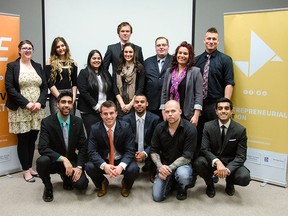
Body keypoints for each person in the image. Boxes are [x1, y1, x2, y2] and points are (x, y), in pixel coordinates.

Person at [193, 27, 235, 187]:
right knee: (197, 137)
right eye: (208, 38)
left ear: (218, 41)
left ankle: (214, 169)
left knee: (214, 140)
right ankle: (199, 168)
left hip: (215, 105)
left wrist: (224, 106)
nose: (211, 41)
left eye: (214, 39)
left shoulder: (225, 60)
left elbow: (229, 82)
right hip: (198, 105)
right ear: (204, 40)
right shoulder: (197, 60)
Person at [5, 40, 47, 183]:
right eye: (24, 48)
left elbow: (44, 87)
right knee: (23, 140)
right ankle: (25, 170)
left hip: (36, 109)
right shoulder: (12, 66)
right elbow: (9, 88)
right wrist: (27, 103)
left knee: (32, 139)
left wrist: (39, 103)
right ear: (19, 50)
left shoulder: (37, 66)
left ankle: (29, 167)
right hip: (21, 109)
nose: (27, 50)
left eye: (30, 48)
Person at [36, 91, 89, 202]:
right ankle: (48, 186)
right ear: (57, 104)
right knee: (41, 161)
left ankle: (65, 176)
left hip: (71, 160)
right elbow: (42, 148)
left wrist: (79, 167)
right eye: (63, 102)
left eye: (69, 102)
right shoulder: (47, 122)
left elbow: (83, 147)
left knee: (82, 185)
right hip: (54, 161)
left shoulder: (78, 122)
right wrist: (63, 159)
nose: (66, 105)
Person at [194, 98, 250, 198]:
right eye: (220, 108)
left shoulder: (240, 130)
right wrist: (217, 162)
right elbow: (204, 149)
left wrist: (227, 170)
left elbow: (241, 156)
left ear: (231, 111)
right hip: (213, 161)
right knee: (198, 162)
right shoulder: (208, 126)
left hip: (230, 163)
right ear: (216, 111)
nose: (223, 111)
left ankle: (230, 182)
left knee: (244, 177)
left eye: (226, 108)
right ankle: (210, 184)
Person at [85, 100, 139, 198]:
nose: (109, 117)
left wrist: (121, 166)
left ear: (116, 113)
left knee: (134, 169)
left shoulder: (126, 127)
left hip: (120, 159)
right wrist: (104, 165)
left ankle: (126, 184)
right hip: (104, 159)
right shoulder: (94, 129)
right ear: (101, 115)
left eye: (111, 113)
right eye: (105, 114)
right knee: (89, 166)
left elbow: (130, 150)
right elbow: (92, 152)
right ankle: (102, 182)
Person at [150, 100, 197, 202]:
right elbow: (154, 150)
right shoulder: (160, 127)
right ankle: (171, 181)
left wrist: (168, 169)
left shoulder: (190, 129)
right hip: (164, 164)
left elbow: (187, 156)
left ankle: (182, 187)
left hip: (182, 165)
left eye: (173, 111)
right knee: (157, 197)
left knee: (183, 175)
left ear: (180, 111)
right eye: (167, 112)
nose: (170, 114)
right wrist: (160, 167)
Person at [160, 41, 203, 126]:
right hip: (171, 114)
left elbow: (199, 95)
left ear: (189, 56)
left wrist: (196, 115)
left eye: (185, 53)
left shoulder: (195, 71)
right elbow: (164, 93)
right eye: (180, 53)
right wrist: (163, 111)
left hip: (188, 115)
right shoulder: (169, 71)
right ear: (176, 55)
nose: (182, 56)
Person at [122, 94, 160, 182]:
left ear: (147, 104)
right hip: (132, 148)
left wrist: (145, 153)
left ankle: (152, 171)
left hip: (149, 148)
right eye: (137, 102)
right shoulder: (125, 120)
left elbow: (156, 142)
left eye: (142, 102)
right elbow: (124, 141)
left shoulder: (155, 119)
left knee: (158, 150)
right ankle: (128, 175)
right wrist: (133, 152)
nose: (139, 104)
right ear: (133, 104)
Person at [77, 49, 115, 137]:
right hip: (89, 110)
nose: (96, 60)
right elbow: (84, 92)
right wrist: (97, 107)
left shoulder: (105, 73)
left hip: (105, 110)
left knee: (105, 135)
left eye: (99, 58)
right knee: (93, 135)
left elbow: (111, 90)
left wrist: (109, 106)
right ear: (89, 60)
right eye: (94, 58)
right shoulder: (84, 73)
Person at [45, 37, 78, 115]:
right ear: (54, 49)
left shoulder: (73, 63)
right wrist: (60, 98)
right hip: (56, 96)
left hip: (69, 95)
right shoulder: (50, 62)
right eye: (58, 47)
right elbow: (50, 83)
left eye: (62, 45)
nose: (61, 48)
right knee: (57, 122)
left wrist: (72, 98)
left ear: (66, 46)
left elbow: (74, 83)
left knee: (70, 122)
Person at [114, 42, 145, 118]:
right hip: (120, 104)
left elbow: (140, 88)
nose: (128, 54)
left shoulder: (139, 68)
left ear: (134, 53)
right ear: (123, 53)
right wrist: (122, 104)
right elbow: (114, 87)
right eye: (126, 52)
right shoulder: (118, 67)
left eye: (130, 52)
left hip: (134, 104)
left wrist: (130, 105)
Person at [144, 36, 172, 119]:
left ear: (168, 46)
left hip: (168, 104)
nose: (161, 47)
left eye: (164, 45)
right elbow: (143, 83)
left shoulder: (174, 61)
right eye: (158, 45)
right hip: (151, 104)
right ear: (155, 47)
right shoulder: (147, 62)